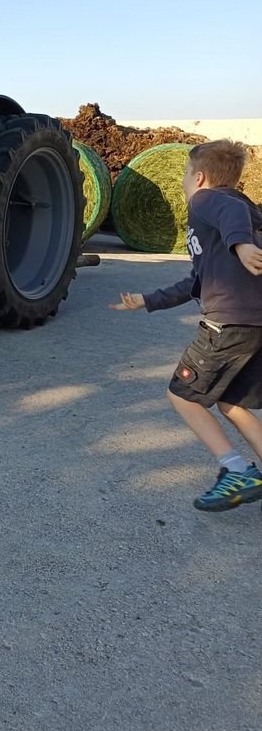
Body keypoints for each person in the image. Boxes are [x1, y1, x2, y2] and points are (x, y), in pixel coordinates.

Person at [111, 140, 262, 511]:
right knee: (230, 402)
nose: (181, 182)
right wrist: (148, 300)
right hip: (252, 326)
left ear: (200, 177)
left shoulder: (208, 200)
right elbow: (196, 280)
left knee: (182, 394)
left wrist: (240, 244)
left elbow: (228, 211)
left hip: (226, 325)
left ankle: (236, 469)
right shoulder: (236, 215)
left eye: (183, 175)